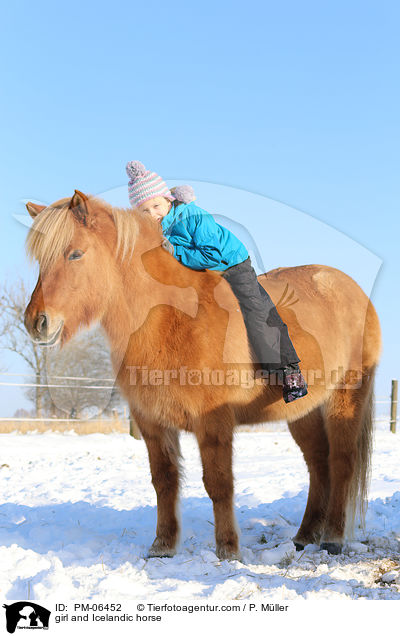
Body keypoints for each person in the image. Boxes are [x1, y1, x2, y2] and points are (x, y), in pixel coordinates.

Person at [126, 161, 308, 403]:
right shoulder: (156, 228)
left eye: (156, 206)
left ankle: (289, 373)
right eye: (144, 211)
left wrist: (173, 250)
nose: (152, 215)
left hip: (230, 264)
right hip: (197, 272)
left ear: (168, 200)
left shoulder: (194, 217)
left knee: (256, 308)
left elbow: (211, 255)